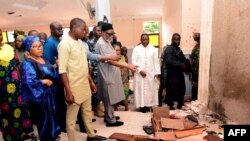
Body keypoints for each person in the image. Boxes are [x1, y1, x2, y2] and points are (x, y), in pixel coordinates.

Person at [58, 18, 106, 141]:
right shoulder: (64, 44)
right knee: (71, 119)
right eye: (83, 29)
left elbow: (83, 64)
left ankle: (91, 135)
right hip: (73, 86)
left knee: (88, 112)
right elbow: (62, 70)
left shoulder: (79, 42)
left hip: (84, 83)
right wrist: (68, 92)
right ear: (74, 28)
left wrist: (90, 81)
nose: (85, 32)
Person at [20, 36, 61, 141]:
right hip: (40, 99)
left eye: (40, 46)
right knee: (44, 124)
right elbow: (28, 82)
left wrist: (55, 67)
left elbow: (49, 72)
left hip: (50, 96)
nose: (39, 48)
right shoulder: (27, 63)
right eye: (35, 46)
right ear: (29, 48)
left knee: (53, 122)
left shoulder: (43, 59)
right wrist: (43, 81)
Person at [95, 23, 137, 126]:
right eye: (109, 33)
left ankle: (108, 116)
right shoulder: (101, 44)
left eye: (112, 33)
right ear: (103, 33)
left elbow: (112, 56)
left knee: (110, 96)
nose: (111, 35)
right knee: (108, 97)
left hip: (111, 73)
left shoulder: (107, 40)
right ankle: (111, 120)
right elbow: (110, 61)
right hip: (107, 74)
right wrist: (127, 65)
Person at [0, 29, 33, 141]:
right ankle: (11, 136)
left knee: (20, 108)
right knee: (6, 111)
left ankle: (23, 133)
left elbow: (17, 66)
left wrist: (21, 81)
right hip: (2, 89)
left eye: (0, 34)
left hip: (16, 85)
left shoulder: (9, 48)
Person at [43, 21, 66, 133]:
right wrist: (56, 66)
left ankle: (63, 124)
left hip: (61, 76)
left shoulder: (59, 40)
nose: (61, 30)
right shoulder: (49, 43)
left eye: (61, 28)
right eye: (58, 28)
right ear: (51, 30)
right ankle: (60, 126)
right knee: (58, 103)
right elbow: (46, 64)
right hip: (55, 79)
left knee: (62, 102)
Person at [132, 33, 161, 113]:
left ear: (149, 39)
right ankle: (141, 106)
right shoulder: (136, 49)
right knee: (140, 89)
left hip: (150, 74)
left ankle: (148, 105)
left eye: (147, 39)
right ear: (140, 40)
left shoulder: (153, 49)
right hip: (139, 74)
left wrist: (157, 73)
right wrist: (140, 70)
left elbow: (156, 62)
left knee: (150, 90)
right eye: (143, 39)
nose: (145, 41)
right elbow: (134, 61)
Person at [164, 33, 191, 110]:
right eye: (175, 39)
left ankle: (180, 103)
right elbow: (169, 61)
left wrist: (187, 64)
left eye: (178, 39)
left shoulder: (178, 49)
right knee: (171, 89)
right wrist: (181, 65)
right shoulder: (169, 49)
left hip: (179, 73)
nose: (177, 41)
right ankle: (170, 104)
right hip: (172, 73)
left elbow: (182, 59)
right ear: (172, 40)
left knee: (182, 89)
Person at [87, 25, 105, 117]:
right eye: (97, 30)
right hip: (94, 69)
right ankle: (96, 107)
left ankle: (99, 105)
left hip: (102, 68)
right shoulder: (90, 42)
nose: (99, 32)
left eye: (101, 30)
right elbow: (90, 58)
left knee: (101, 88)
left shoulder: (102, 41)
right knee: (95, 89)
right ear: (93, 32)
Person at [113, 44, 129, 111]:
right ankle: (115, 107)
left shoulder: (123, 57)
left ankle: (126, 107)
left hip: (124, 79)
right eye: (116, 50)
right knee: (115, 93)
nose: (118, 51)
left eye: (119, 50)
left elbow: (126, 68)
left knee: (125, 92)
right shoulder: (112, 58)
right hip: (116, 79)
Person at [190, 33, 200, 101]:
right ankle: (194, 98)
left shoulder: (203, 46)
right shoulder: (196, 47)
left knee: (198, 85)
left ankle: (197, 98)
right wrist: (191, 67)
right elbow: (191, 57)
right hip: (195, 69)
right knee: (194, 85)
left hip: (201, 70)